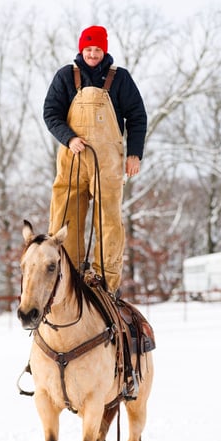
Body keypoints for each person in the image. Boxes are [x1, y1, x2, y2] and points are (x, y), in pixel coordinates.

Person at [43, 25, 147, 296]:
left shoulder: (119, 78)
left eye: (97, 49)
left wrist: (134, 154)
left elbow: (137, 116)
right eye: (88, 49)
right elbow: (51, 112)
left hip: (108, 162)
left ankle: (105, 282)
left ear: (104, 50)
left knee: (109, 220)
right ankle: (67, 276)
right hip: (73, 158)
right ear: (81, 49)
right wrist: (68, 138)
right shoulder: (66, 76)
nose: (92, 54)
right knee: (64, 218)